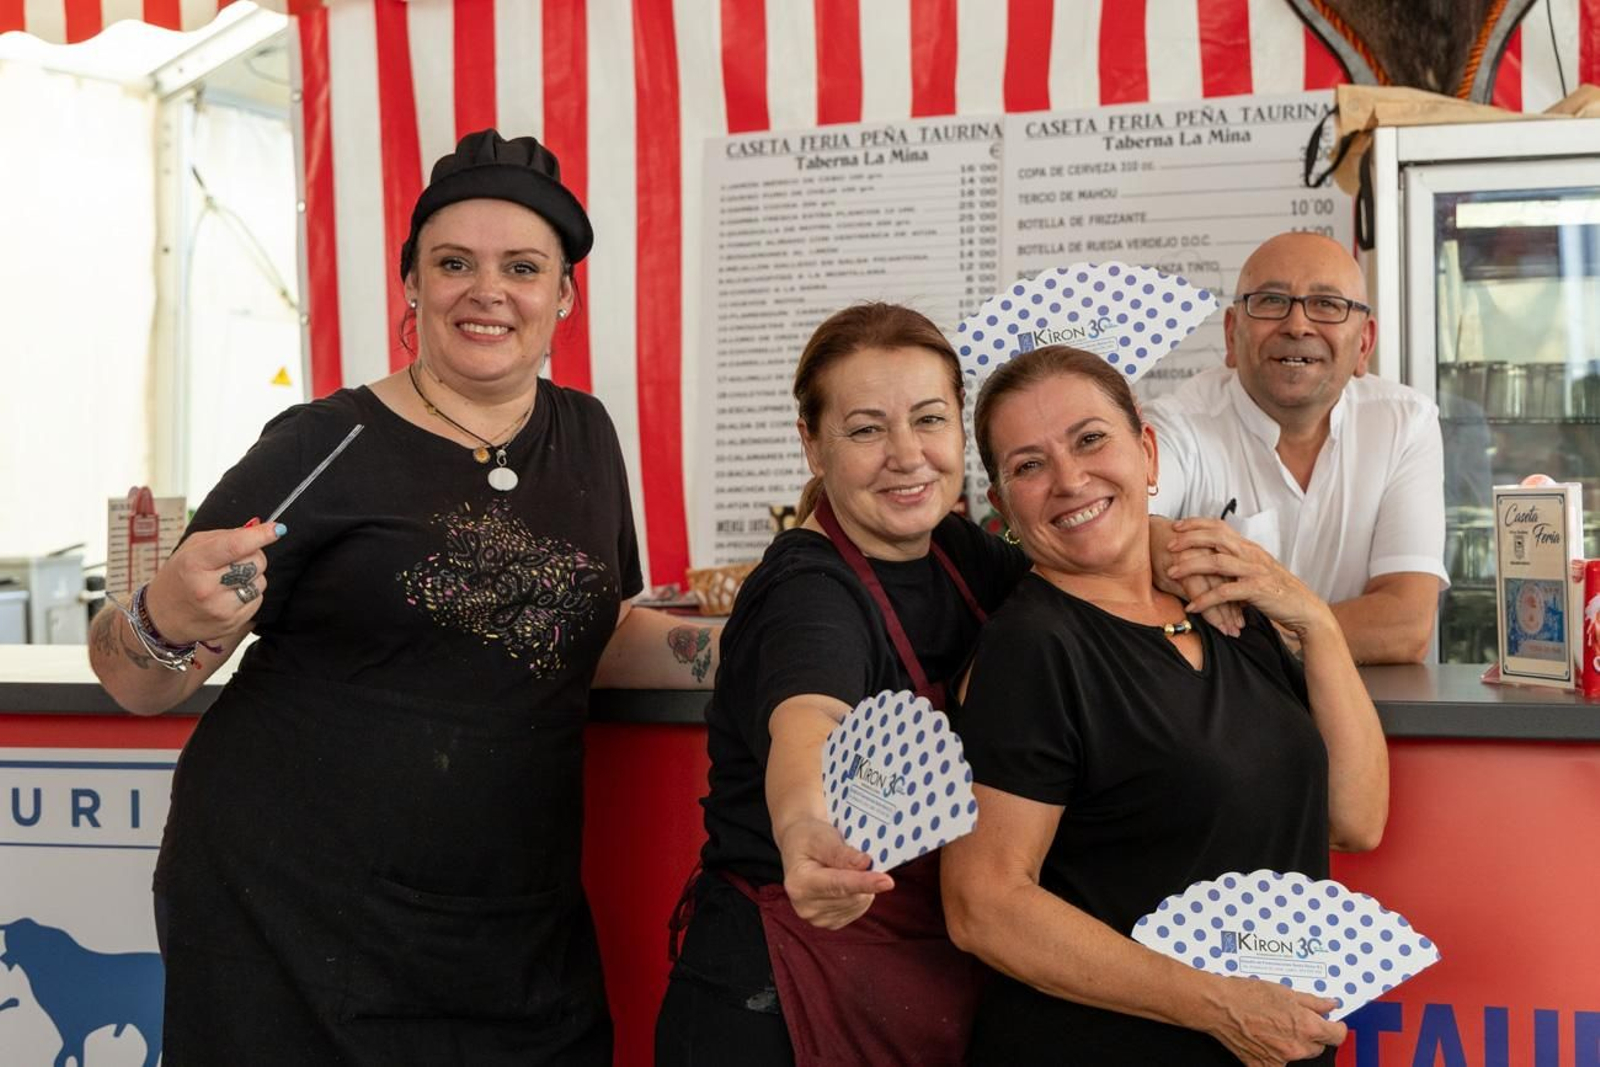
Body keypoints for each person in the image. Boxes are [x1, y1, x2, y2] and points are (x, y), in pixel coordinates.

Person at [88, 129, 714, 1066]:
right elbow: (135, 679)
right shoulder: (323, 443)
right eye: (453, 262)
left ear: (565, 296)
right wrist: (163, 615)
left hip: (507, 918)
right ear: (411, 285)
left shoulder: (586, 435)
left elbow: (594, 626)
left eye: (523, 266)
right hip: (290, 910)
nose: (487, 290)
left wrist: (733, 646)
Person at [943, 345, 1389, 1066]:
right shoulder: (1032, 648)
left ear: (1147, 452)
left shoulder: (1222, 606)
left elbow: (1355, 817)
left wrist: (1315, 619)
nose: (1069, 479)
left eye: (1091, 439)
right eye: (1029, 464)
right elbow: (982, 906)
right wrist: (1222, 1005)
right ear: (1003, 508)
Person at [655, 302, 1034, 1066]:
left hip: (909, 972)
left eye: (929, 419)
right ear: (813, 445)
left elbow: (1076, 579)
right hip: (776, 997)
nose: (907, 454)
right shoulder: (808, 587)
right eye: (866, 429)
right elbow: (809, 717)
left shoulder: (958, 551)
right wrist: (806, 834)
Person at [1145, 232, 1448, 664]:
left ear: (1364, 343)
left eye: (1327, 304)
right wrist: (1149, 535)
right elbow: (1131, 534)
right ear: (1232, 334)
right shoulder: (1176, 424)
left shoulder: (1406, 424)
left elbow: (1404, 626)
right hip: (1211, 716)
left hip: (1366, 707)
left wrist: (1253, 637)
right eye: (1270, 301)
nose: (1297, 325)